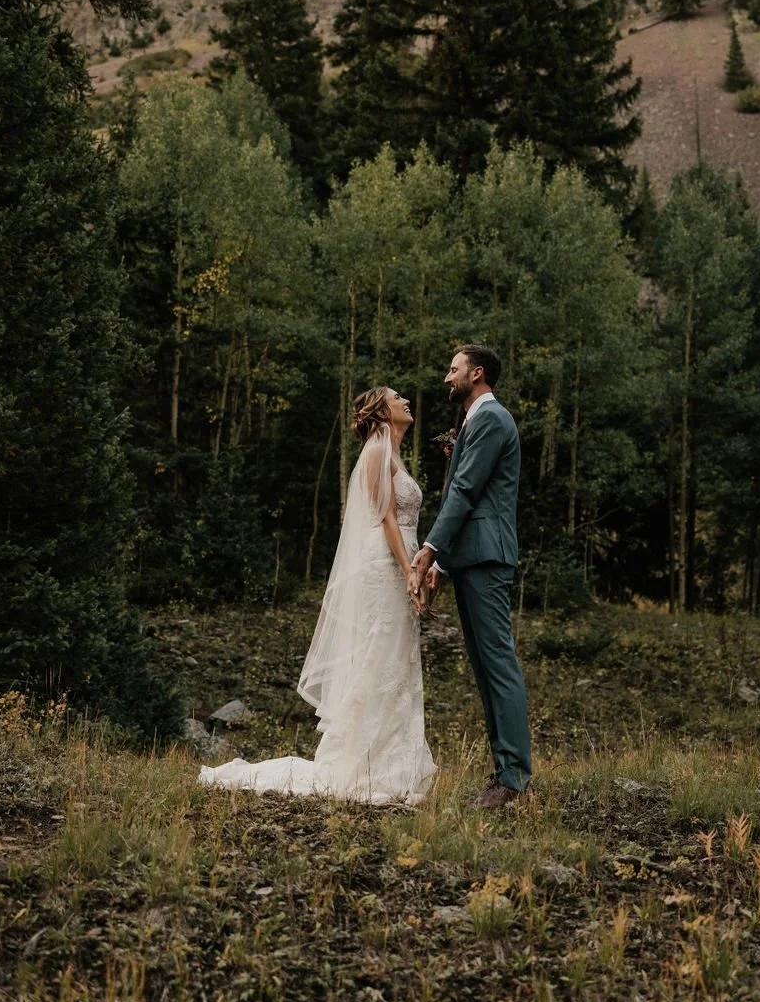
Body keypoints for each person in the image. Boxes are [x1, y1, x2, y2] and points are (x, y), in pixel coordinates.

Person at [199, 387, 436, 804]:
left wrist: (417, 570)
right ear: (382, 411)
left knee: (396, 661)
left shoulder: (394, 454)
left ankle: (392, 760)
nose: (406, 401)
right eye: (398, 397)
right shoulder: (377, 454)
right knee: (378, 659)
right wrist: (407, 571)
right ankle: (364, 763)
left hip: (402, 564)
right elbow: (384, 520)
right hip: (385, 567)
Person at [410, 344, 531, 809]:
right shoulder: (475, 421)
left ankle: (513, 777)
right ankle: (504, 770)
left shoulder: (492, 419)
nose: (447, 377)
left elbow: (464, 489)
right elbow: (468, 497)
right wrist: (442, 564)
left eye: (454, 369)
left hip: (487, 556)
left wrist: (429, 549)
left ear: (476, 374)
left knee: (498, 664)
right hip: (471, 556)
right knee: (485, 668)